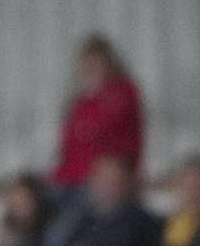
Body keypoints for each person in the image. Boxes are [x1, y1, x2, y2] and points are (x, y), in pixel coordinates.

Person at [50, 35, 143, 193]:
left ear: (109, 63)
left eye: (97, 63)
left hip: (102, 176)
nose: (93, 68)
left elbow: (101, 127)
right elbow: (68, 141)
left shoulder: (124, 91)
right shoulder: (82, 100)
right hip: (70, 175)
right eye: (88, 64)